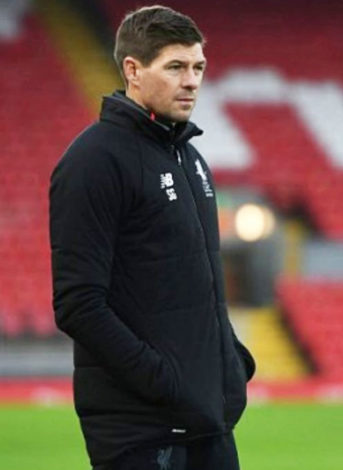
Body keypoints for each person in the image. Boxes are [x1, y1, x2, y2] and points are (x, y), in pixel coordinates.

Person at [49, 5, 255, 470]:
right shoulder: (93, 161)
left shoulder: (191, 160)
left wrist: (231, 362)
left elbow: (202, 286)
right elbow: (78, 304)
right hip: (142, 434)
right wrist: (165, 380)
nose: (192, 81)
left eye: (198, 67)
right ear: (133, 70)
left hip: (207, 423)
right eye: (176, 67)